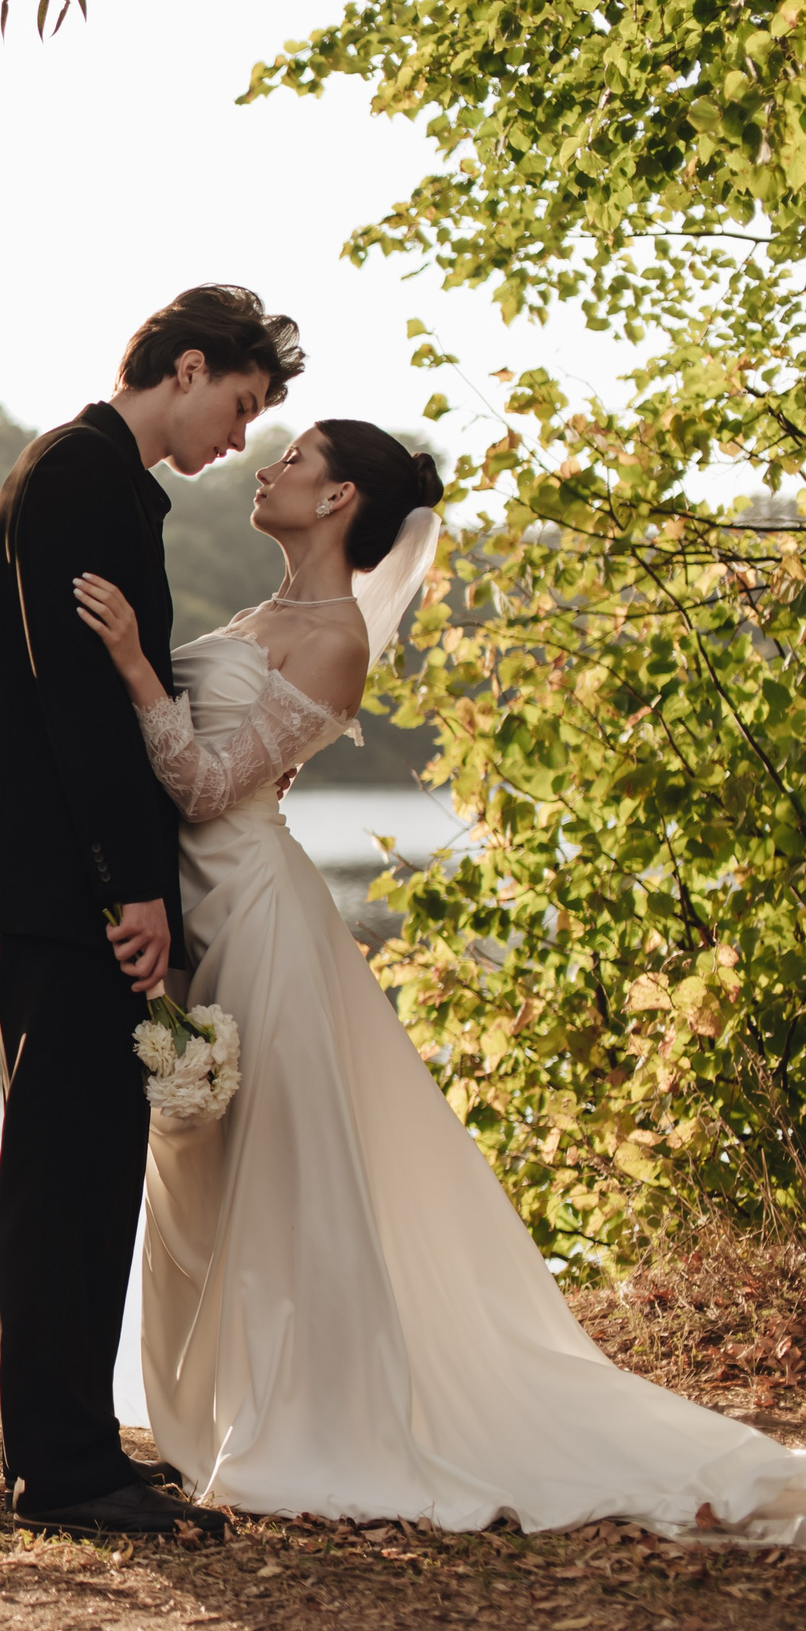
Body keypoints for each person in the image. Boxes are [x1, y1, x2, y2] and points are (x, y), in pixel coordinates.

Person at [71, 422, 806, 1540]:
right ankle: (214, 1417)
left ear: (338, 498)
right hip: (196, 919)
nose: (266, 466)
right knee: (206, 1176)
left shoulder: (334, 640)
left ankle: (315, 1417)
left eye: (294, 457)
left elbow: (212, 784)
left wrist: (132, 663)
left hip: (260, 921)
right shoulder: (256, 616)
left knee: (285, 1184)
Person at [0, 285, 304, 1540]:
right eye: (239, 404)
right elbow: (76, 706)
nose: (239, 437)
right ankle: (56, 1468)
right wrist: (129, 886)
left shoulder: (92, 475)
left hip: (64, 880)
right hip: (61, 885)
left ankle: (80, 1447)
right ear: (184, 367)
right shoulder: (80, 478)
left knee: (91, 1165)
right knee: (59, 1168)